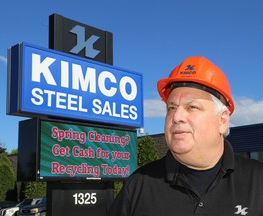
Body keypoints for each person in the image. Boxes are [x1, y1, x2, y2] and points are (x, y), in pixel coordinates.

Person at [107, 56, 263, 216]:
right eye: (171, 108)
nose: (176, 117)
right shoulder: (138, 186)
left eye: (192, 107)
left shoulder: (258, 181)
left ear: (222, 121)